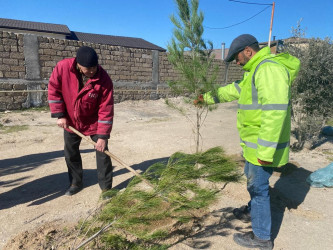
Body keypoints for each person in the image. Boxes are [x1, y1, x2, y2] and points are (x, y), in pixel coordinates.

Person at [196, 34, 300, 249]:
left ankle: (262, 238)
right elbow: (232, 90)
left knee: (258, 189)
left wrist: (266, 151)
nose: (236, 62)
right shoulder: (255, 71)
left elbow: (275, 113)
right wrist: (205, 98)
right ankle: (253, 212)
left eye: (236, 57)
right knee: (254, 182)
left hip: (263, 147)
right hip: (255, 145)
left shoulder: (268, 69)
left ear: (248, 51)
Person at [48, 46, 114, 197]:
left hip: (93, 122)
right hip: (70, 121)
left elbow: (106, 108)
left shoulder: (104, 79)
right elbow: (53, 89)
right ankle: (75, 183)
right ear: (78, 63)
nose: (91, 71)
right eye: (87, 68)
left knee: (103, 152)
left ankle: (106, 188)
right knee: (70, 153)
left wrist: (103, 137)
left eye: (94, 67)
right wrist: (60, 115)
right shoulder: (63, 68)